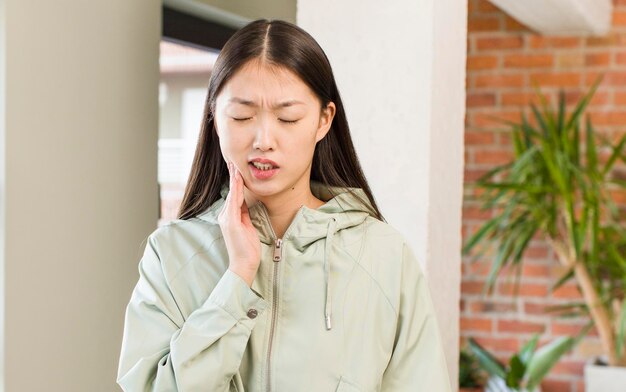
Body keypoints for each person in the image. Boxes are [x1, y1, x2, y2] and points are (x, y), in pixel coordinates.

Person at [116, 18, 452, 392]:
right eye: (242, 116)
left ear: (324, 120)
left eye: (287, 118)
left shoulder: (385, 257)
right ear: (214, 116)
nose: (264, 140)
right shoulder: (170, 255)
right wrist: (237, 280)